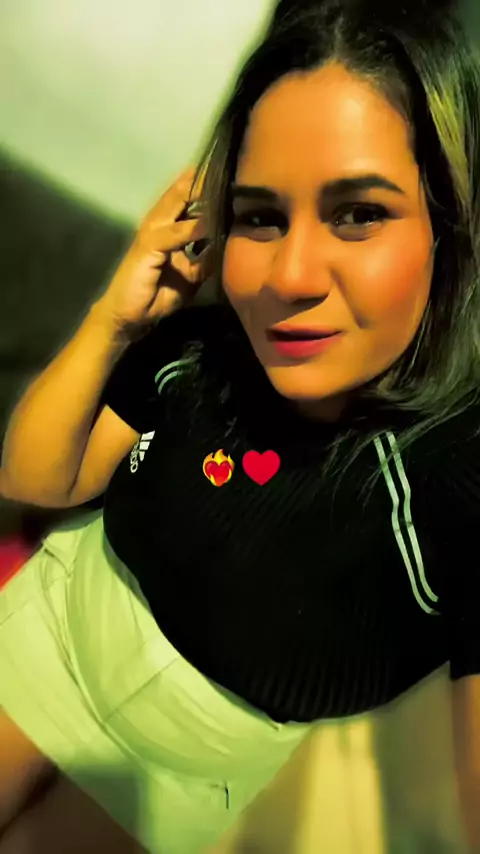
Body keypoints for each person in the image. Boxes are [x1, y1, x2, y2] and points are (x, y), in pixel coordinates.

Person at [1, 0, 480, 851]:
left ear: (451, 231)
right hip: (49, 635)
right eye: (260, 215)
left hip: (183, 775)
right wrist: (115, 318)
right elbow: (34, 479)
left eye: (358, 213)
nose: (288, 276)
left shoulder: (452, 477)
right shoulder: (198, 355)